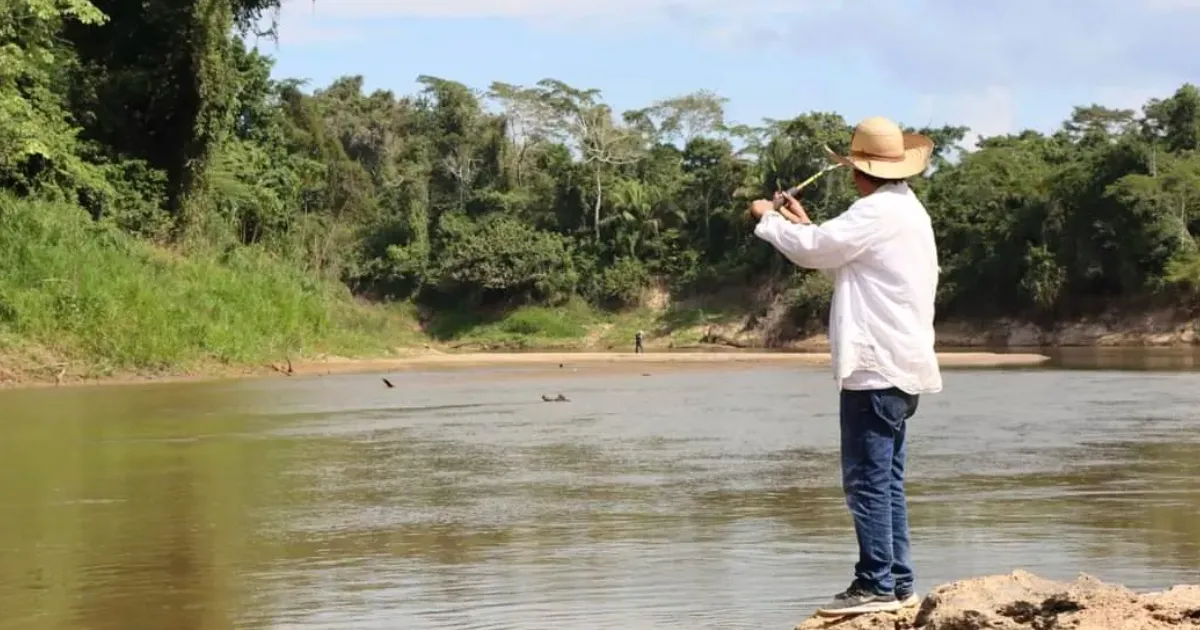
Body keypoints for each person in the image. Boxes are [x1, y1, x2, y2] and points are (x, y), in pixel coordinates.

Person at [747, 116, 943, 616]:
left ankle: (876, 583)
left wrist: (767, 218)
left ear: (859, 171)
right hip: (900, 363)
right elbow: (833, 248)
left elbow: (815, 253)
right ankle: (897, 583)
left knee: (867, 480)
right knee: (886, 479)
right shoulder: (906, 211)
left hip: (875, 366)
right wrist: (801, 222)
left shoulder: (874, 212)